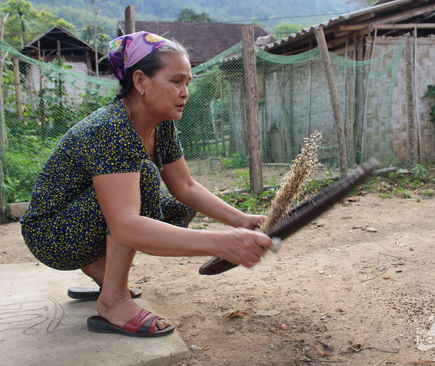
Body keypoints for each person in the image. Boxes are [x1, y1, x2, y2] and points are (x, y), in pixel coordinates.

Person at [20, 31, 273, 338]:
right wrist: (224, 243)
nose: (185, 93)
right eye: (176, 81)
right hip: (52, 235)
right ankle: (113, 300)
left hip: (82, 222)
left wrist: (243, 220)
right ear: (140, 82)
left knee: (176, 205)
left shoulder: (161, 125)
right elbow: (125, 226)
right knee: (145, 181)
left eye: (187, 83)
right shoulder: (111, 128)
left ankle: (99, 267)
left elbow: (187, 188)